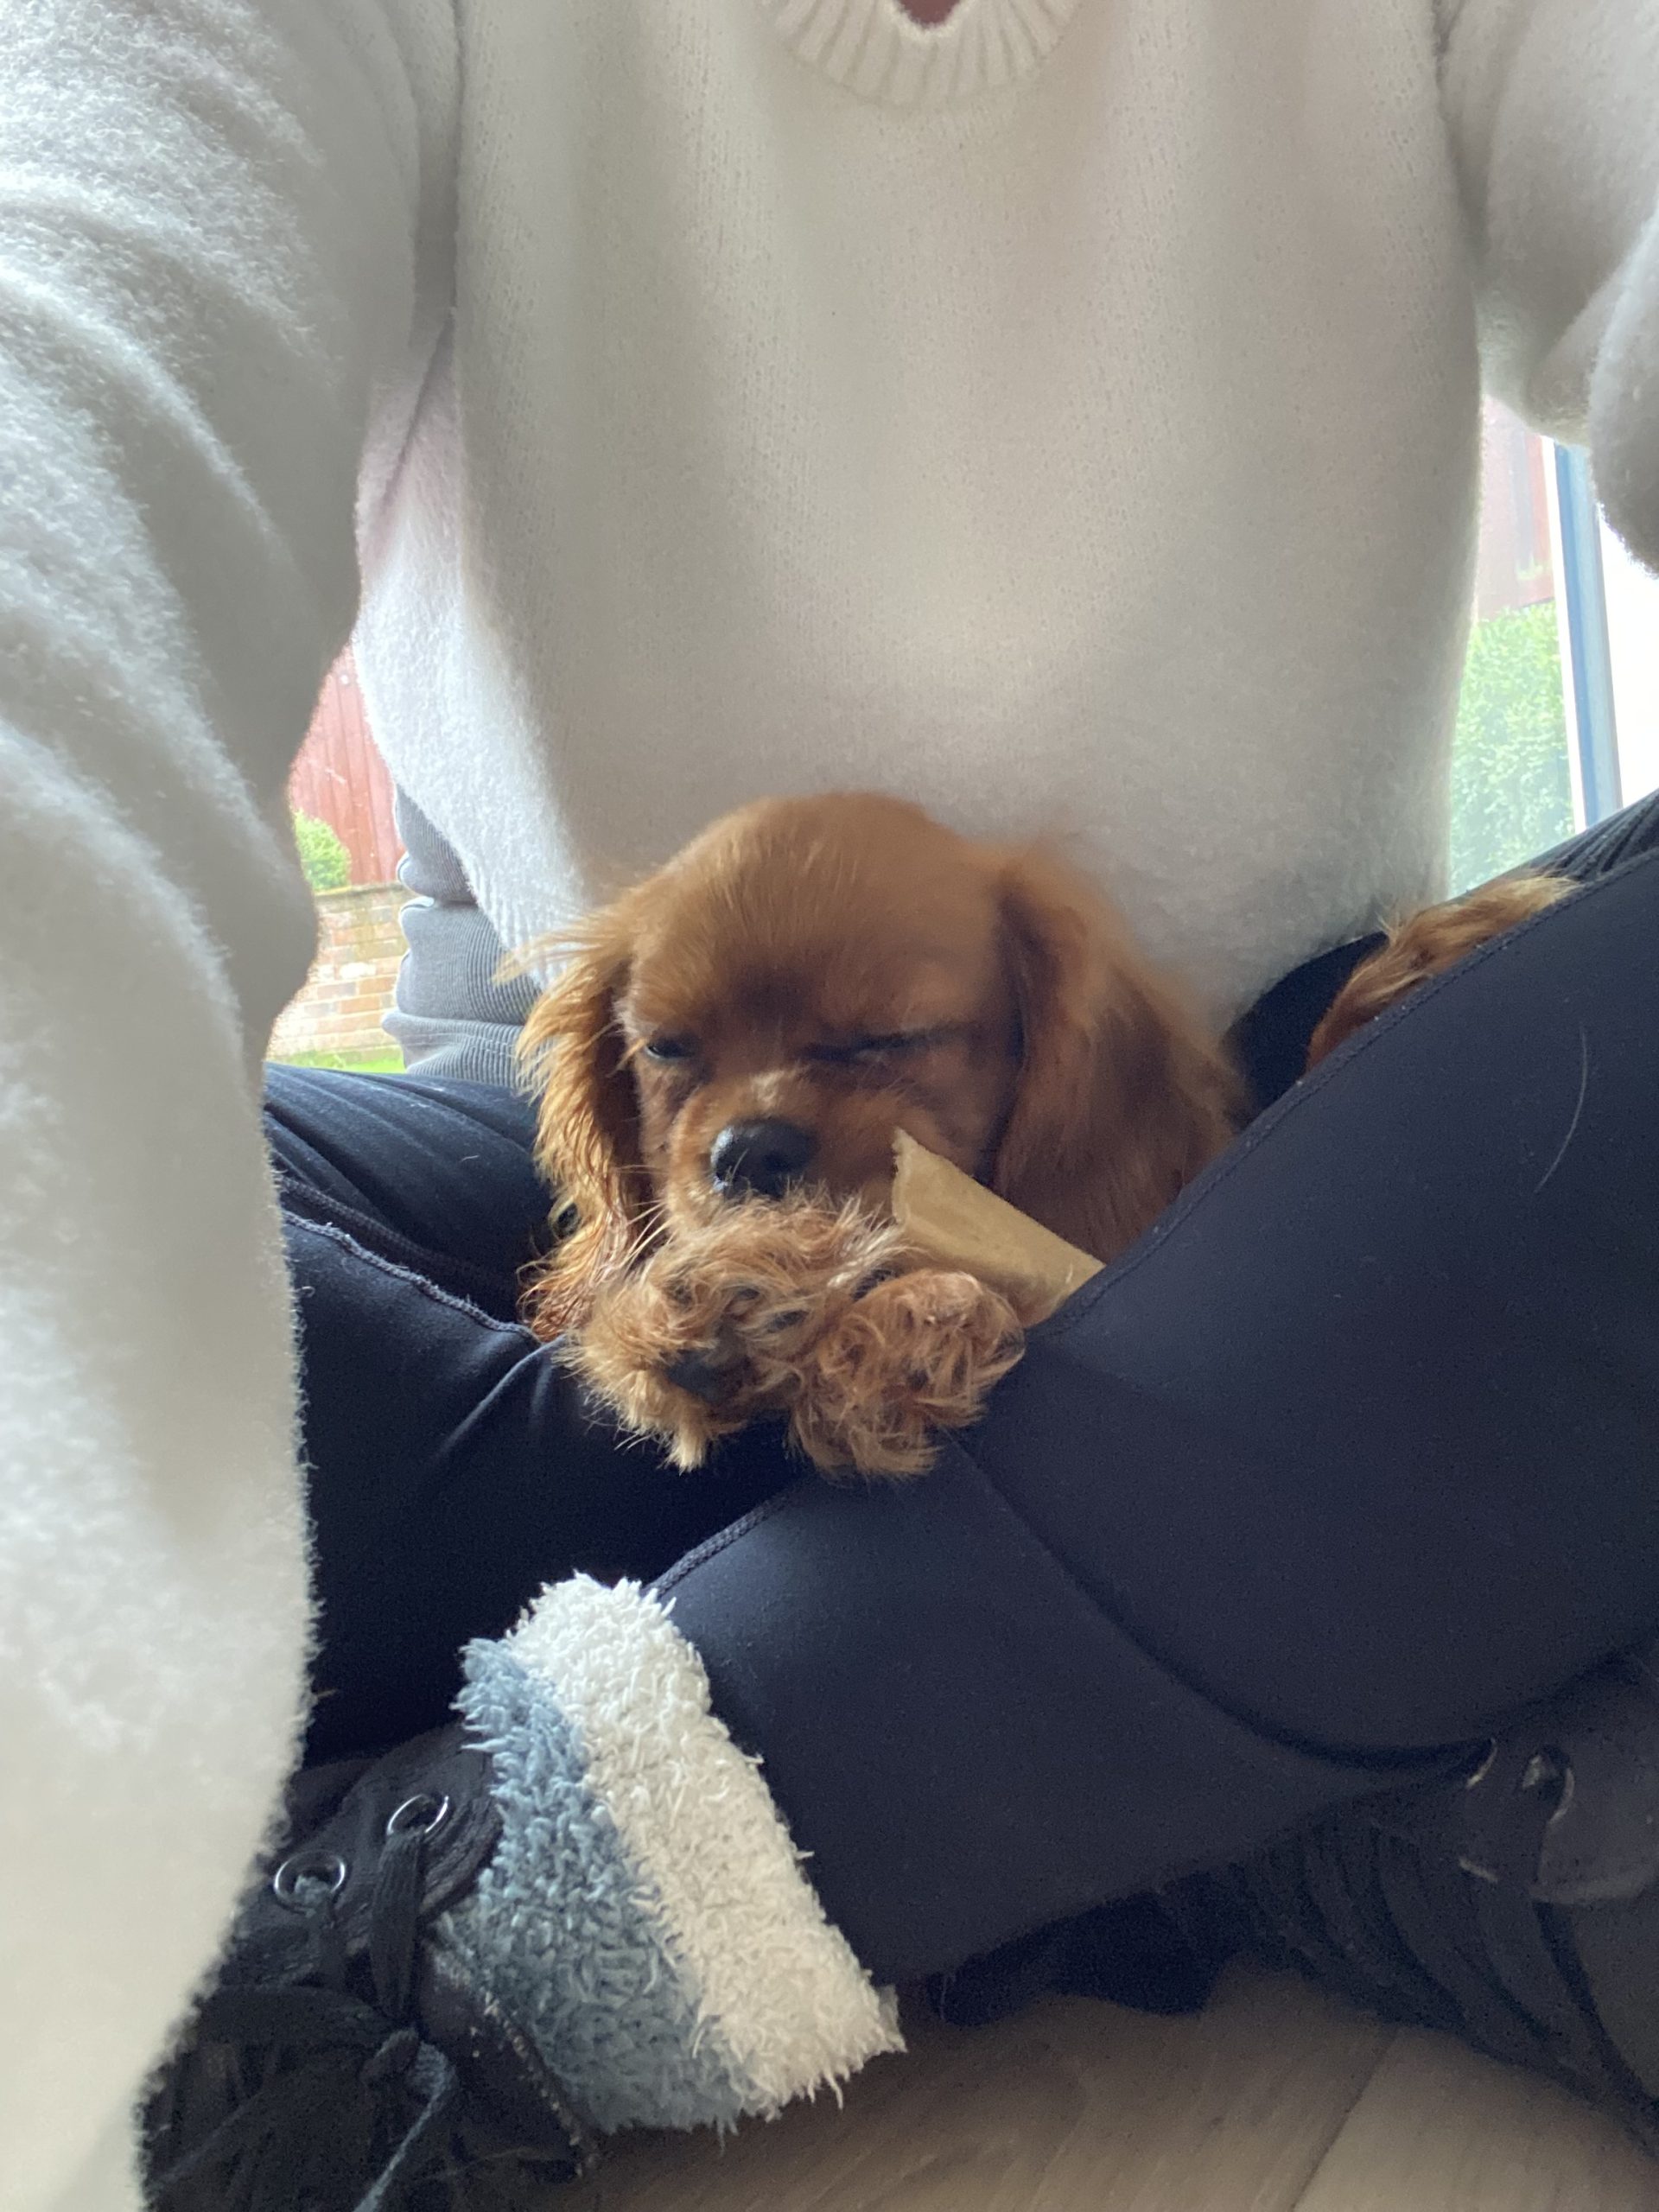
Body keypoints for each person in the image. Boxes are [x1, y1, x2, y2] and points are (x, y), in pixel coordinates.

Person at [3, 2, 1658, 2206]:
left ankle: (495, 1891)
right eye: (709, 1055)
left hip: (1296, 1143)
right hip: (592, 1196)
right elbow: (71, 350)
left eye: (869, 1043)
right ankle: (1260, 1733)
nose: (772, 1107)